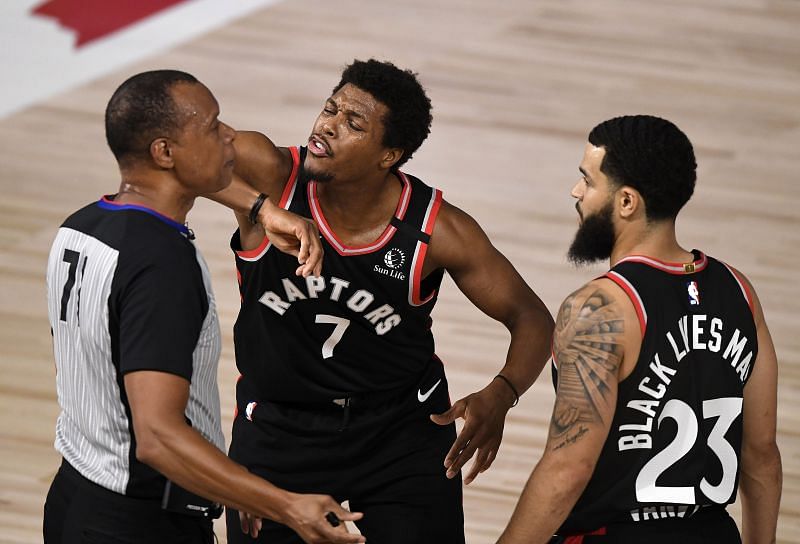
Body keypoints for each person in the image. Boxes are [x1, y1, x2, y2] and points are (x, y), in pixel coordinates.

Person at [209, 59, 555, 543]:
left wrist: (503, 392)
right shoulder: (272, 174)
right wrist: (261, 210)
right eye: (330, 109)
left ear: (389, 155)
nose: (327, 125)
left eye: (354, 123)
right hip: (280, 428)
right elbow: (177, 151)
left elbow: (532, 317)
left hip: (400, 431)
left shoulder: (435, 230)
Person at [43, 69, 365, 544]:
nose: (230, 134)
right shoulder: (161, 263)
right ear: (164, 152)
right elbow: (158, 437)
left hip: (74, 497)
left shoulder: (81, 226)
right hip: (139, 523)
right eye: (213, 127)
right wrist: (284, 504)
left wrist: (227, 484)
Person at [497, 115, 782, 543]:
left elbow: (568, 469)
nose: (576, 192)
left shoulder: (599, 309)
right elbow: (761, 457)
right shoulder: (739, 290)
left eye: (588, 181)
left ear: (627, 201)